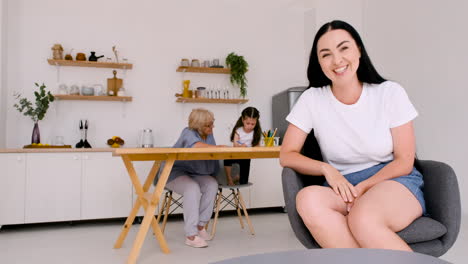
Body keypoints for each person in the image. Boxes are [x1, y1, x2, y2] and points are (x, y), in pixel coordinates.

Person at [279, 20, 425, 251]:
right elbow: (287, 155)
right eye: (326, 54)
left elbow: (404, 160)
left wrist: (365, 187)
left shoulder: (389, 93)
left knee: (363, 218)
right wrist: (328, 170)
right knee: (308, 199)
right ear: (319, 62)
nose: (337, 61)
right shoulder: (312, 99)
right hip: (342, 187)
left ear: (358, 49)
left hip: (392, 181)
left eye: (344, 48)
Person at [165, 108, 225, 248]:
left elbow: (209, 150)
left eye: (212, 124)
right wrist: (220, 147)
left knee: (211, 184)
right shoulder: (188, 132)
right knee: (192, 188)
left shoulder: (208, 134)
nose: (212, 127)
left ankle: (200, 226)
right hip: (175, 172)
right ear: (198, 126)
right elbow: (196, 146)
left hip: (195, 172)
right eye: (208, 125)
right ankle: (190, 236)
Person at [224, 107, 262, 186]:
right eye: (247, 123)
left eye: (253, 124)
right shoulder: (238, 131)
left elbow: (257, 146)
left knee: (243, 182)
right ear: (243, 120)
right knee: (227, 158)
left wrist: (252, 147)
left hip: (246, 156)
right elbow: (235, 143)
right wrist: (241, 145)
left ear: (256, 122)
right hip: (237, 154)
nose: (250, 126)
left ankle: (238, 177)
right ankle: (229, 179)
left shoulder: (255, 132)